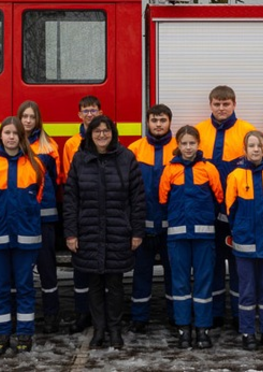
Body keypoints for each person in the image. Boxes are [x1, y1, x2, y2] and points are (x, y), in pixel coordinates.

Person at [64, 114, 145, 349]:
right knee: (95, 285)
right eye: (97, 131)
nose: (102, 135)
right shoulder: (80, 159)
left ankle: (115, 330)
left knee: (115, 284)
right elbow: (70, 200)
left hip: (118, 231)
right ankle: (99, 329)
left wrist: (136, 232)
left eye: (106, 131)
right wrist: (71, 233)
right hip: (88, 232)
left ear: (113, 133)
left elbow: (137, 199)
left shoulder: (126, 158)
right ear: (90, 134)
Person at [0, 116, 44, 355]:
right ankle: (2, 333)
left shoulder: (35, 165)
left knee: (25, 287)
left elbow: (38, 196)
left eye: (15, 133)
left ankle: (25, 333)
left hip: (25, 237)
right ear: (0, 136)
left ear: (22, 136)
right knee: (0, 288)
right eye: (7, 133)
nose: (11, 137)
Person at [195, 86, 257, 327]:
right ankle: (216, 313)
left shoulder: (247, 132)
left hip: (238, 211)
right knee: (213, 265)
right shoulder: (198, 131)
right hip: (208, 211)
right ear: (210, 104)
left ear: (234, 104)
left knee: (241, 265)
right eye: (217, 104)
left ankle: (240, 314)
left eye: (226, 104)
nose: (221, 108)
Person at [159, 125, 223, 349]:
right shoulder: (170, 170)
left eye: (192, 143)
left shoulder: (208, 169)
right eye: (184, 143)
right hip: (177, 237)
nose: (188, 148)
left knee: (204, 283)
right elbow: (163, 198)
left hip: (204, 237)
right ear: (177, 145)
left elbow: (219, 197)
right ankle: (183, 328)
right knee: (180, 283)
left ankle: (203, 329)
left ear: (199, 145)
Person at [227, 130, 263, 351]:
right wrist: (241, 229)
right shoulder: (236, 176)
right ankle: (248, 332)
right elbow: (230, 209)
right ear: (244, 150)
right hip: (244, 244)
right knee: (248, 291)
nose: (255, 149)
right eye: (250, 145)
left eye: (258, 145)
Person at [15, 100, 62, 335]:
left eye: (32, 117)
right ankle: (22, 315)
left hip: (44, 217)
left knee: (47, 268)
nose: (28, 121)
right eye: (24, 117)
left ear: (38, 120)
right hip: (20, 218)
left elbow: (56, 178)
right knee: (21, 270)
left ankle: (52, 315)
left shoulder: (49, 146)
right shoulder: (11, 143)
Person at [129, 104, 176, 332]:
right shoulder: (134, 149)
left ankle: (176, 315)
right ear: (147, 122)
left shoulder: (180, 148)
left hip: (171, 227)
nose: (158, 124)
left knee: (174, 274)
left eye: (163, 120)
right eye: (154, 120)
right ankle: (139, 318)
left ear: (170, 122)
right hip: (143, 227)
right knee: (141, 274)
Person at [62, 95, 102, 332]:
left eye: (93, 110)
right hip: (81, 213)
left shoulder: (106, 140)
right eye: (85, 111)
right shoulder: (70, 144)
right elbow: (69, 183)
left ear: (100, 112)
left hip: (102, 213)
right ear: (79, 115)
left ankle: (100, 314)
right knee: (80, 269)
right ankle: (82, 313)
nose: (89, 114)